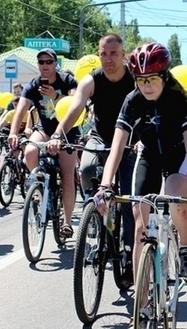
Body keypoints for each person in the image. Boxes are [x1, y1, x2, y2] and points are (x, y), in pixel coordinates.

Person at [92, 42, 187, 283]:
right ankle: (142, 303)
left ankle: (186, 246)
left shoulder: (180, 101)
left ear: (164, 77)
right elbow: (117, 146)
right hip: (149, 156)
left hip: (178, 155)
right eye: (140, 79)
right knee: (139, 226)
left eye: (152, 79)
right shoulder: (132, 99)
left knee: (175, 194)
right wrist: (105, 186)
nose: (146, 86)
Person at [47, 33, 137, 284]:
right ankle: (95, 214)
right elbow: (75, 107)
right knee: (86, 168)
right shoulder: (92, 80)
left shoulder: (134, 80)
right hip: (100, 137)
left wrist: (142, 140)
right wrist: (57, 134)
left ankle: (130, 255)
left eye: (113, 54)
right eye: (103, 54)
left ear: (123, 55)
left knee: (129, 199)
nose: (108, 59)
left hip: (132, 141)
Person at [8, 47, 78, 238]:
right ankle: (38, 189)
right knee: (30, 151)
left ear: (56, 64)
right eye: (41, 62)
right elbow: (21, 109)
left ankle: (67, 222)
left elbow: (76, 103)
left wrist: (56, 96)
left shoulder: (67, 81)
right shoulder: (33, 84)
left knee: (67, 176)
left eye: (49, 62)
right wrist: (14, 133)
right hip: (45, 130)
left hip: (67, 131)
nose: (45, 65)